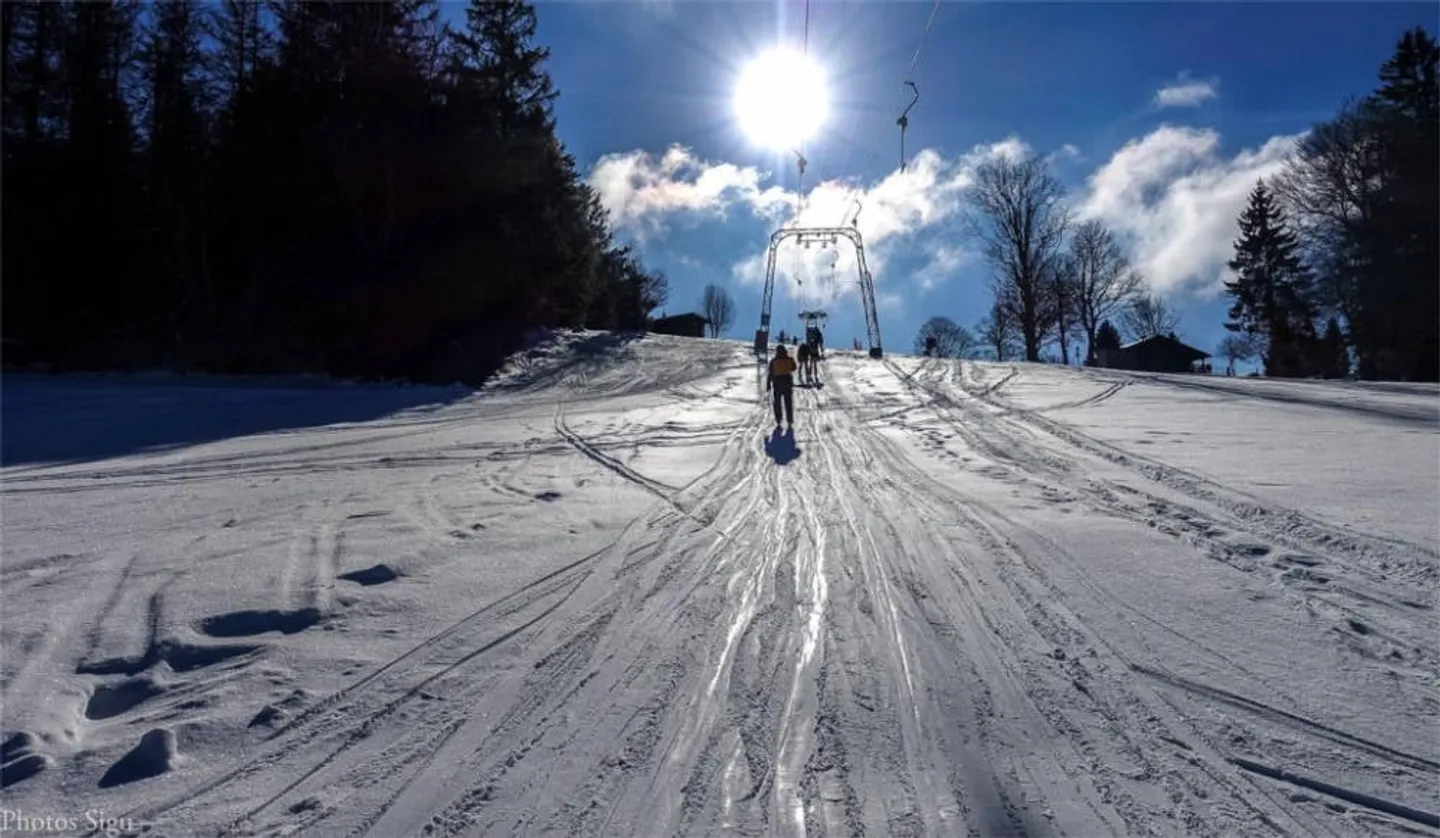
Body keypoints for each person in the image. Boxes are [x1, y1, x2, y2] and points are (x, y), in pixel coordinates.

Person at [766, 344, 796, 427]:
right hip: (787, 382)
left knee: (777, 403)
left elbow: (770, 374)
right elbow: (794, 368)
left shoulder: (773, 361)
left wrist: (768, 384)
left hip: (777, 383)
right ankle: (789, 421)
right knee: (788, 403)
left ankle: (779, 421)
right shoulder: (789, 359)